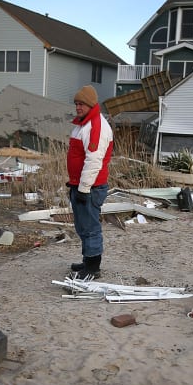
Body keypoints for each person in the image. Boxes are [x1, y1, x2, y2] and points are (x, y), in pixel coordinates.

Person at [67, 85, 113, 279]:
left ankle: (93, 267)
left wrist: (84, 189)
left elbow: (94, 161)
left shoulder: (96, 127)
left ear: (90, 104)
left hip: (90, 187)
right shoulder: (83, 124)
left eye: (81, 104)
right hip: (80, 184)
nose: (78, 107)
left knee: (90, 227)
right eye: (76, 104)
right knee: (83, 226)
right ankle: (88, 261)